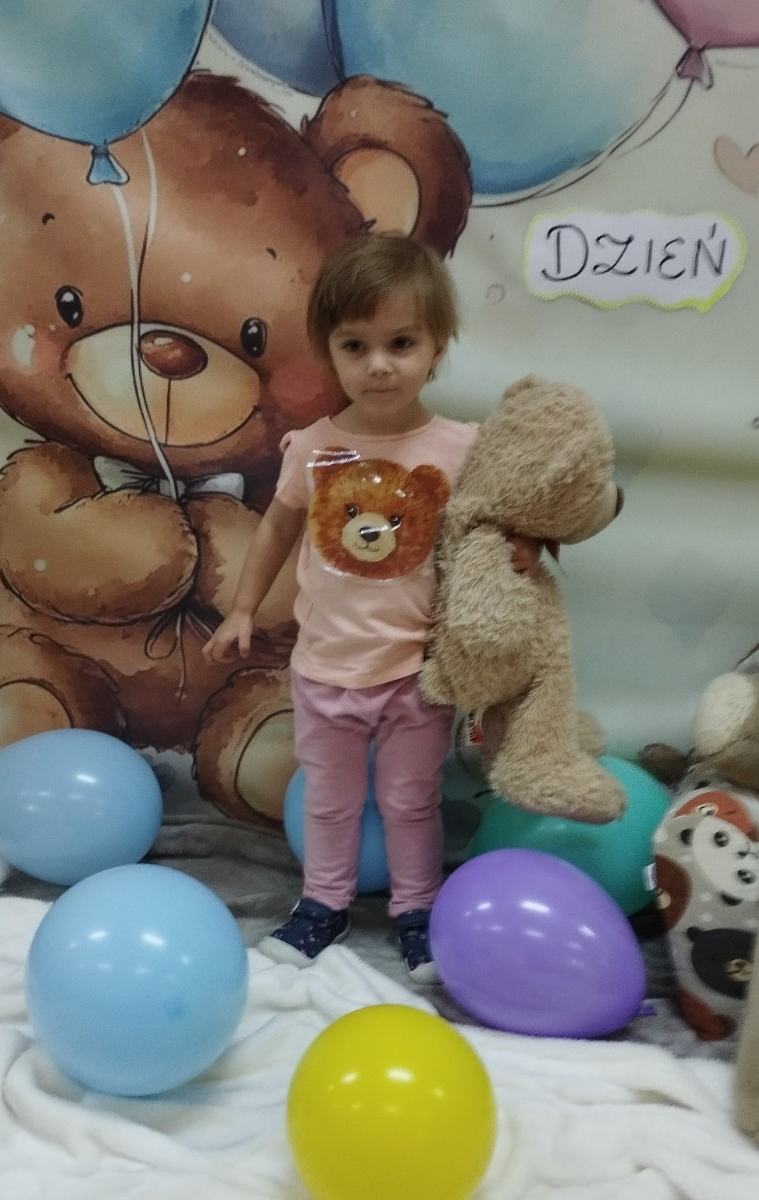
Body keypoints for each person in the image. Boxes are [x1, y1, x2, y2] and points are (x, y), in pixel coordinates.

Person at [202, 233, 538, 983]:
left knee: (412, 800)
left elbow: (498, 525)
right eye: (356, 346)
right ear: (329, 351)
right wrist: (243, 608)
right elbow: (276, 530)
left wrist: (521, 550)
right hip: (325, 670)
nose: (379, 364)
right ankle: (323, 904)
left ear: (437, 346)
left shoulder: (461, 448)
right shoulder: (314, 448)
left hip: (418, 675)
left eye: (401, 343)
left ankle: (417, 909)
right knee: (330, 801)